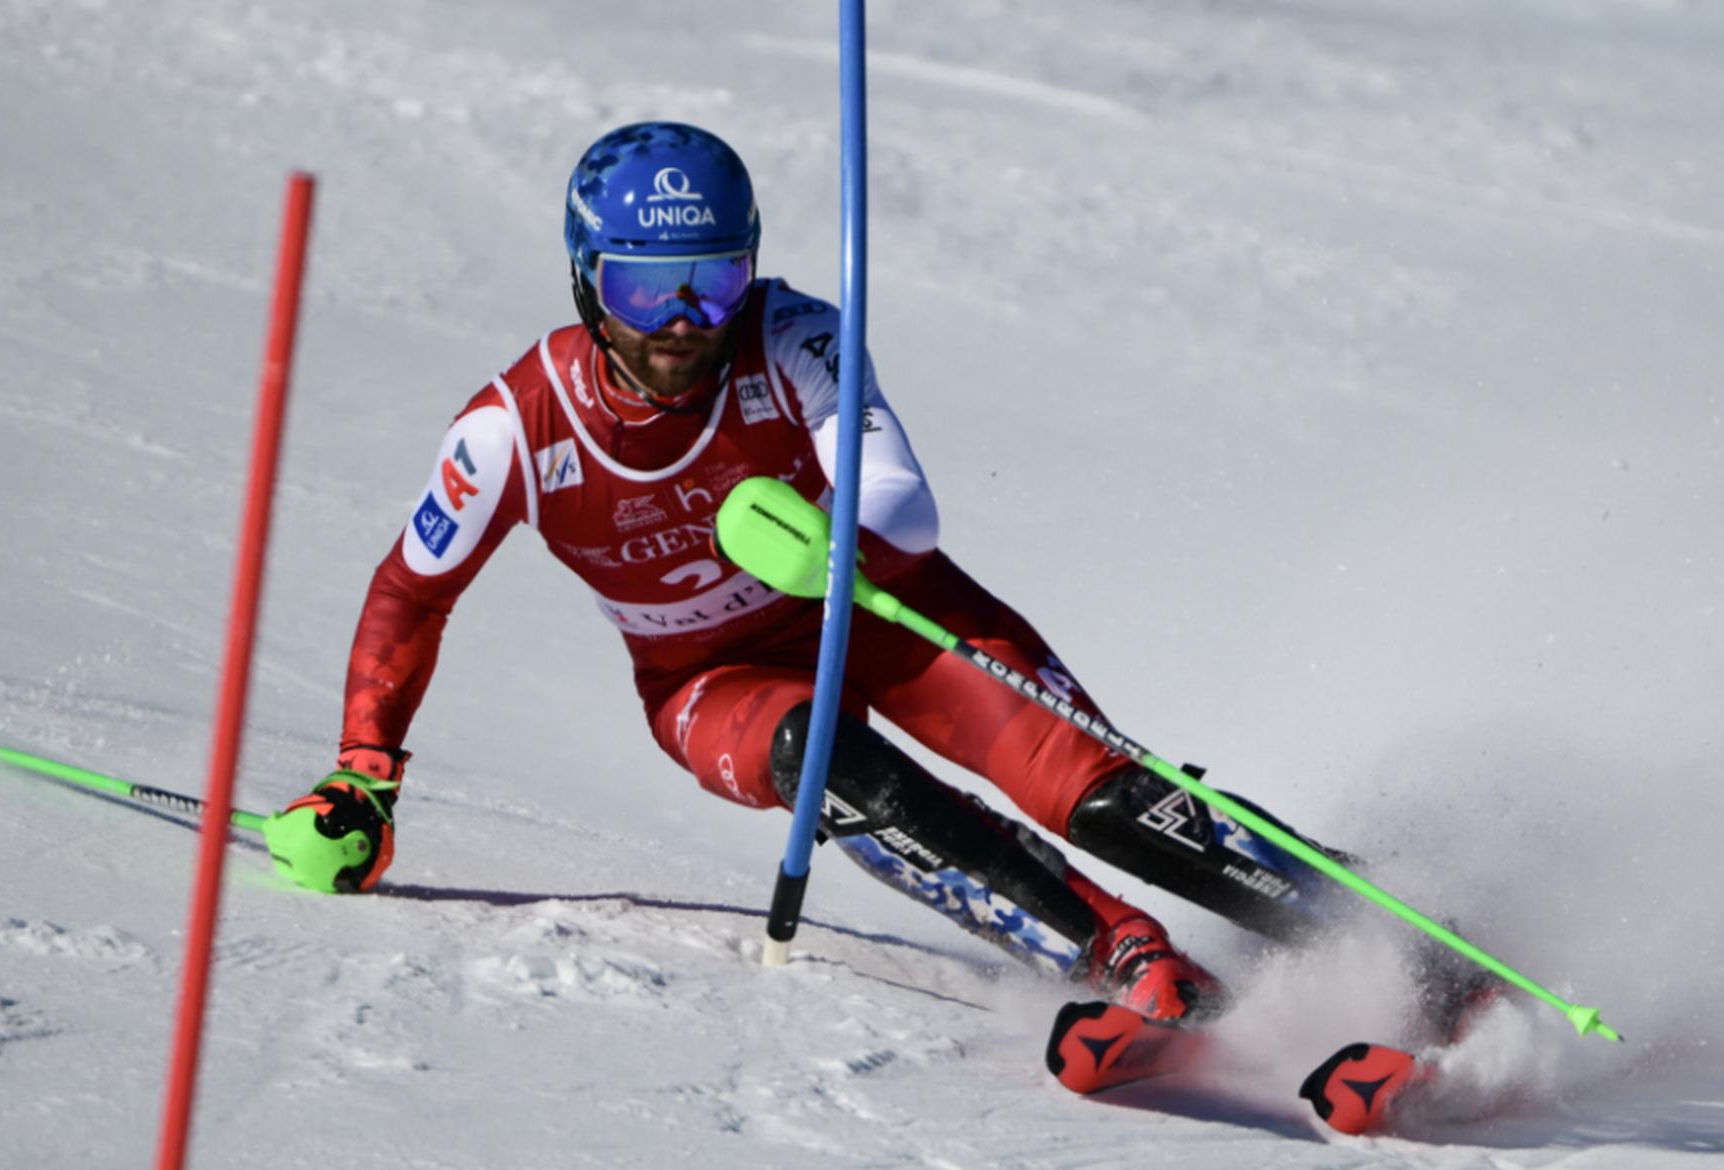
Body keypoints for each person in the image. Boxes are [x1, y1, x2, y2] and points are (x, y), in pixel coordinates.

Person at [268, 121, 1365, 1025]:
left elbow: (905, 507)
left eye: (713, 280)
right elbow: (412, 590)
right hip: (715, 683)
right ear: (584, 279)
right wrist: (365, 772)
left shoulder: (793, 336)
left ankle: (1372, 928)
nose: (685, 326)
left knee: (1102, 796)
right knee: (823, 762)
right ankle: (1122, 958)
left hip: (883, 605)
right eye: (647, 292)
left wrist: (825, 543)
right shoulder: (515, 427)